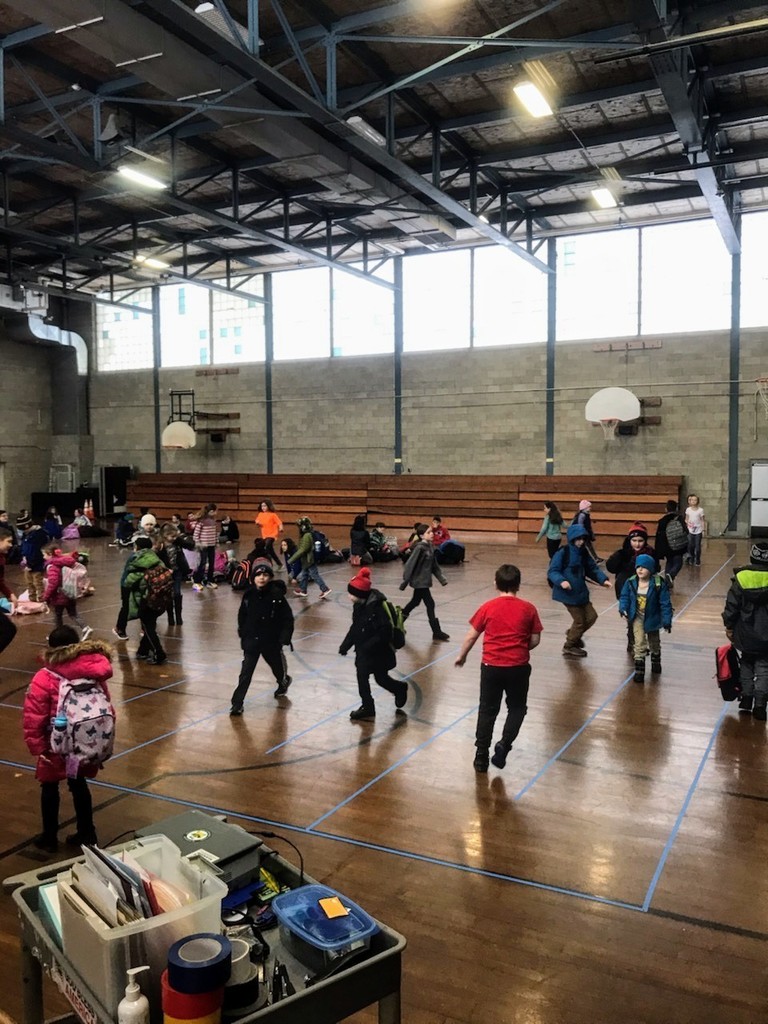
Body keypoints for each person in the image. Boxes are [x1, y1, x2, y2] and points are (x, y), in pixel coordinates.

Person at [23, 625, 114, 852]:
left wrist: (37, 747)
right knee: (78, 784)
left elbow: (34, 715)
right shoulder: (92, 671)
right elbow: (106, 705)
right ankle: (87, 832)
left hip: (55, 744)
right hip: (81, 743)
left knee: (50, 787)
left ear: (50, 647)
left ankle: (49, 838)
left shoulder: (45, 676)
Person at [455, 564, 543, 773]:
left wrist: (462, 656)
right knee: (517, 708)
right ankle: (504, 744)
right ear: (518, 585)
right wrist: (521, 647)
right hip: (518, 667)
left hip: (491, 666)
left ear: (496, 584)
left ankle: (481, 756)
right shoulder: (529, 608)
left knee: (487, 709)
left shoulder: (488, 607)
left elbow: (472, 635)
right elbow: (535, 639)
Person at [339, 566, 408, 721]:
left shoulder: (377, 609)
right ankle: (368, 706)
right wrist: (346, 644)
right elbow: (355, 627)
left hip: (379, 652)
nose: (349, 596)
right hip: (364, 652)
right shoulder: (359, 606)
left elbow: (384, 633)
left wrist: (366, 646)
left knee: (380, 678)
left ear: (360, 594)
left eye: (351, 593)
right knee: (362, 677)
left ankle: (399, 688)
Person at [230, 563, 294, 715]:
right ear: (253, 578)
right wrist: (243, 633)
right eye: (258, 575)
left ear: (270, 578)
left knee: (277, 667)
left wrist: (284, 637)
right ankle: (237, 703)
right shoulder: (249, 595)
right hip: (252, 641)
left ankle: (282, 682)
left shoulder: (277, 596)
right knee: (245, 673)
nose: (262, 578)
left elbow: (287, 618)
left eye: (265, 575)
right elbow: (242, 615)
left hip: (271, 642)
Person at [547, 523, 611, 657]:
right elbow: (553, 571)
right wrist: (562, 581)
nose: (581, 542)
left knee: (592, 616)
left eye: (583, 539)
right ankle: (569, 645)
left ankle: (573, 633)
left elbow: (592, 568)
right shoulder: (563, 553)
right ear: (571, 539)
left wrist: (602, 579)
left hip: (581, 593)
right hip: (568, 595)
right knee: (580, 621)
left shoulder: (583, 553)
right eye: (578, 539)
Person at [722, 541, 768, 720]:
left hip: (745, 632)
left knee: (747, 663)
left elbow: (732, 606)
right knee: (764, 667)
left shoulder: (741, 578)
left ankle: (746, 698)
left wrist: (729, 626)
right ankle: (760, 705)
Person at [619, 553, 673, 684]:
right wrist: (623, 608)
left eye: (644, 567)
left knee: (654, 642)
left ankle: (656, 660)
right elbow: (624, 596)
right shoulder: (631, 582)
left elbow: (665, 603)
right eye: (638, 567)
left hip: (653, 617)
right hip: (637, 617)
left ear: (651, 569)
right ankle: (639, 671)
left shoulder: (658, 584)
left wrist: (667, 620)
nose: (640, 570)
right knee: (639, 643)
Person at [399, 524, 450, 641]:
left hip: (425, 581)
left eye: (431, 532)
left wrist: (441, 579)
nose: (432, 534)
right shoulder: (419, 548)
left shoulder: (430, 547)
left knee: (414, 602)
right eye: (428, 532)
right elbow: (410, 565)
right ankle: (436, 631)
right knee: (429, 604)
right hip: (419, 581)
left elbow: (434, 565)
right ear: (421, 536)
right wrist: (405, 581)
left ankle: (398, 621)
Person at [124, 536, 168, 664]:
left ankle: (159, 653)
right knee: (150, 624)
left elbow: (128, 582)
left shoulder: (138, 561)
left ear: (137, 547)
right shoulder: (157, 560)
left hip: (145, 600)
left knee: (148, 628)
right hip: (160, 598)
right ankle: (143, 650)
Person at [41, 545, 92, 638]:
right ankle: (85, 628)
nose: (43, 557)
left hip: (59, 595)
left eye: (44, 555)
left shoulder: (52, 566)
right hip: (70, 592)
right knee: (73, 613)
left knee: (57, 615)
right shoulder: (64, 562)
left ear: (49, 554)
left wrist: (45, 596)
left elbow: (53, 583)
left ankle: (57, 634)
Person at [288, 517, 332, 599]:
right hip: (307, 560)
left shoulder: (306, 536)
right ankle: (303, 590)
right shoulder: (309, 534)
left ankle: (325, 589)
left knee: (314, 574)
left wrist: (291, 559)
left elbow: (303, 549)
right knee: (305, 574)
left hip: (309, 559)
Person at [161, 524, 190, 626]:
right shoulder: (161, 545)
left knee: (177, 593)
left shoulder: (177, 543)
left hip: (177, 571)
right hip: (166, 573)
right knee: (169, 594)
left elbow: (188, 545)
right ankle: (170, 616)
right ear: (165, 535)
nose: (174, 539)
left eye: (175, 536)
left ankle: (178, 616)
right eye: (172, 537)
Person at [17, 511, 49, 601]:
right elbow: (24, 547)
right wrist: (23, 556)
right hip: (27, 564)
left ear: (27, 526)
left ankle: (42, 598)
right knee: (29, 583)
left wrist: (31, 564)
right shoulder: (26, 535)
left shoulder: (37, 534)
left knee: (37, 582)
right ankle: (32, 599)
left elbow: (34, 551)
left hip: (36, 564)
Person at [654, 500, 689, 583]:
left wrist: (659, 549)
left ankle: (667, 580)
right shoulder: (679, 518)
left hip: (666, 545)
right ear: (676, 508)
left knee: (669, 561)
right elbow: (685, 530)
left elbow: (659, 536)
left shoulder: (662, 520)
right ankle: (671, 574)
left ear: (666, 509)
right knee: (678, 561)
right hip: (678, 544)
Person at [191, 503, 219, 590]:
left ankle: (209, 580)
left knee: (211, 563)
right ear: (211, 511)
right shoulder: (201, 522)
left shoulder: (213, 522)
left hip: (211, 546)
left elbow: (215, 533)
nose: (216, 513)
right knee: (202, 563)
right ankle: (197, 581)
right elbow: (196, 534)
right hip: (203, 546)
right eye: (215, 511)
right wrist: (198, 543)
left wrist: (216, 542)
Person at [0, 526, 18, 655]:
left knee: (8, 629)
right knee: (8, 629)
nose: (11, 545)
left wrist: (9, 594)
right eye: (8, 541)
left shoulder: (1, 558)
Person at [255, 499, 283, 569]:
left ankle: (269, 564)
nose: (263, 507)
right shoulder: (260, 514)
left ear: (268, 506)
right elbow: (259, 524)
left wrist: (281, 528)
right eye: (262, 506)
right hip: (265, 535)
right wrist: (258, 523)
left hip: (272, 535)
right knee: (270, 550)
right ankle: (279, 564)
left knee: (267, 547)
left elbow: (279, 522)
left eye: (264, 506)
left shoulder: (273, 515)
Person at [684, 493, 706, 566]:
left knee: (698, 546)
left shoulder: (700, 510)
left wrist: (703, 530)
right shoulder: (688, 510)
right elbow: (686, 519)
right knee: (690, 546)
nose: (693, 501)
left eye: (695, 500)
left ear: (698, 501)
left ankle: (697, 559)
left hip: (698, 530)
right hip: (690, 530)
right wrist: (686, 527)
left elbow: (702, 520)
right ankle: (692, 558)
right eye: (692, 500)